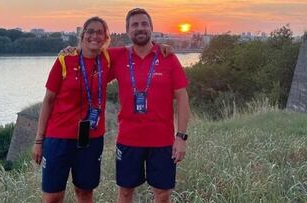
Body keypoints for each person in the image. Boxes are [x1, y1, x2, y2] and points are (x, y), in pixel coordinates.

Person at [107, 8, 191, 203]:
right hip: (128, 139)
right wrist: (70, 51)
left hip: (162, 141)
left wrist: (181, 137)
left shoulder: (168, 56)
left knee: (162, 194)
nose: (140, 28)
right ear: (128, 31)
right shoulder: (118, 56)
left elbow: (182, 98)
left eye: (144, 24)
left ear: (152, 28)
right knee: (126, 192)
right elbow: (90, 56)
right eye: (135, 25)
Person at [32, 16, 111, 203]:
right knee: (52, 197)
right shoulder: (64, 60)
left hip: (91, 139)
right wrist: (38, 140)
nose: (95, 36)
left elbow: (138, 50)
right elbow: (48, 101)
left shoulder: (108, 59)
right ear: (82, 34)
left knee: (84, 193)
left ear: (106, 37)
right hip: (58, 138)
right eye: (90, 31)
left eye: (100, 32)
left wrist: (163, 48)